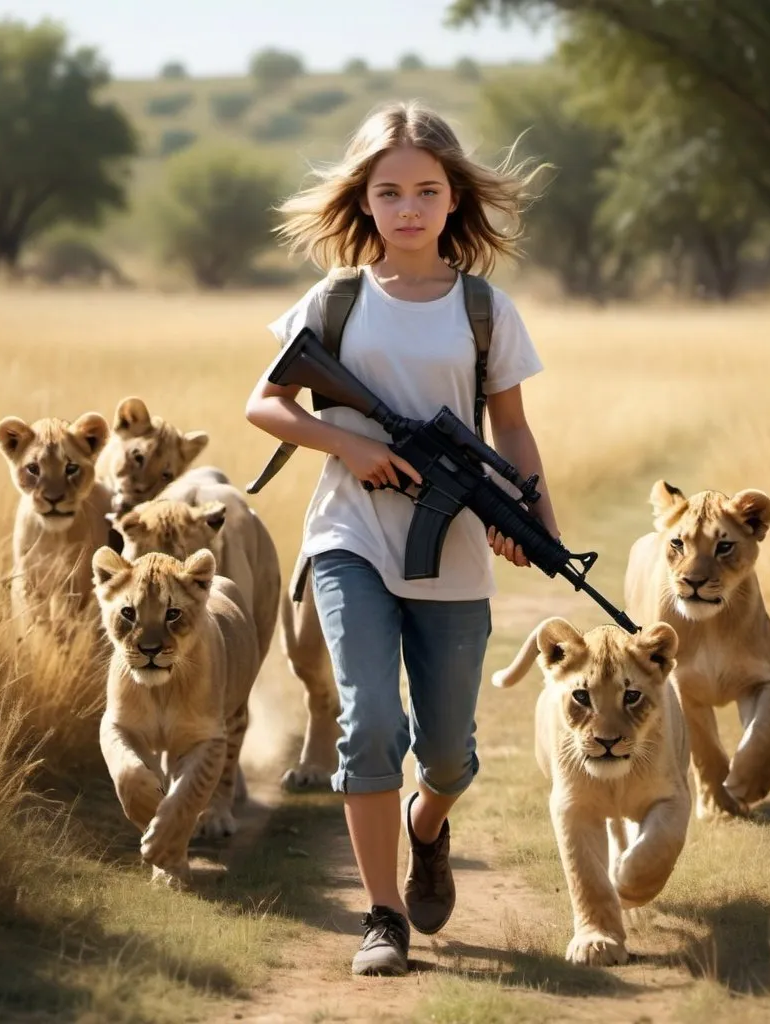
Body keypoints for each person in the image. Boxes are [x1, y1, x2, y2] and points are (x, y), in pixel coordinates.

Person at [245, 100, 560, 977]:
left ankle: (429, 826)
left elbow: (514, 430)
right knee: (371, 721)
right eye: (390, 193)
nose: (409, 209)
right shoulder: (336, 299)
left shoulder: (484, 309)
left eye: (427, 190)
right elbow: (265, 403)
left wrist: (534, 517)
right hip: (349, 535)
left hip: (455, 544)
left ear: (455, 198)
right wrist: (348, 442)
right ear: (366, 201)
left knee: (450, 752)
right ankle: (381, 916)